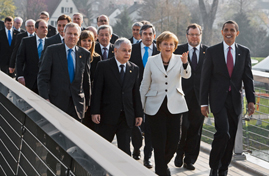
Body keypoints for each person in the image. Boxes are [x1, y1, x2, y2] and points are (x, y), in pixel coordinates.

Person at [200, 20, 255, 176]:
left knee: (231, 137)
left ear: (237, 33)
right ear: (222, 32)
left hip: (235, 101)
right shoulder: (212, 51)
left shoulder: (244, 52)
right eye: (226, 30)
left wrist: (251, 101)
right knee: (223, 132)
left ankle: (223, 168)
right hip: (218, 101)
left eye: (232, 30)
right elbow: (205, 78)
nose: (229, 32)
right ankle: (213, 166)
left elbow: (248, 78)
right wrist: (203, 103)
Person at [140, 31, 191, 176]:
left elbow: (187, 75)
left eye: (171, 44)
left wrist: (185, 63)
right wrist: (141, 108)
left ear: (175, 46)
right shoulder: (151, 61)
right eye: (165, 44)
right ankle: (161, 171)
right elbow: (144, 85)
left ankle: (161, 166)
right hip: (155, 106)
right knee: (159, 141)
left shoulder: (180, 59)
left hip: (175, 105)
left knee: (175, 140)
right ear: (159, 45)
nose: (168, 46)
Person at [91, 38, 143, 155]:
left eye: (129, 51)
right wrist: (95, 111)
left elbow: (135, 93)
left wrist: (138, 114)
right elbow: (97, 90)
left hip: (126, 117)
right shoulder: (103, 66)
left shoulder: (134, 69)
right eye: (124, 50)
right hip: (107, 116)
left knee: (125, 152)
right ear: (115, 50)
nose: (127, 53)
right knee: (102, 150)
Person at [37, 22, 91, 122]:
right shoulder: (52, 51)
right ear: (64, 34)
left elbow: (86, 80)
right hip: (56, 102)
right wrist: (45, 98)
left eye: (75, 34)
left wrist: (86, 102)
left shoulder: (84, 54)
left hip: (77, 104)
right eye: (69, 33)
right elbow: (43, 77)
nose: (72, 36)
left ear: (78, 37)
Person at [174, 23, 208, 170]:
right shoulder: (179, 50)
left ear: (201, 35)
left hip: (200, 97)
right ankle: (179, 152)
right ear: (187, 35)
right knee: (183, 126)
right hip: (182, 96)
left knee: (196, 128)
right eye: (191, 34)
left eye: (197, 34)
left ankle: (190, 159)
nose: (194, 37)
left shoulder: (208, 52)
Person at [129, 23, 159, 168]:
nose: (148, 36)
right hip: (135, 93)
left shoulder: (159, 50)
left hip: (154, 94)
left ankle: (148, 157)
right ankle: (136, 147)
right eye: (145, 34)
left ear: (154, 36)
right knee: (137, 124)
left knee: (151, 128)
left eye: (150, 34)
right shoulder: (132, 49)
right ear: (140, 35)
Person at [77, 30, 101, 129]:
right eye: (84, 40)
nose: (87, 43)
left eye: (89, 40)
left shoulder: (97, 58)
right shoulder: (76, 56)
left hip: (92, 96)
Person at [16, 19, 48, 93]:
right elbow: (20, 59)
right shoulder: (26, 41)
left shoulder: (51, 42)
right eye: (42, 27)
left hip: (45, 82)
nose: (45, 29)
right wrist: (20, 76)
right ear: (36, 29)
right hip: (29, 80)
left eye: (46, 27)